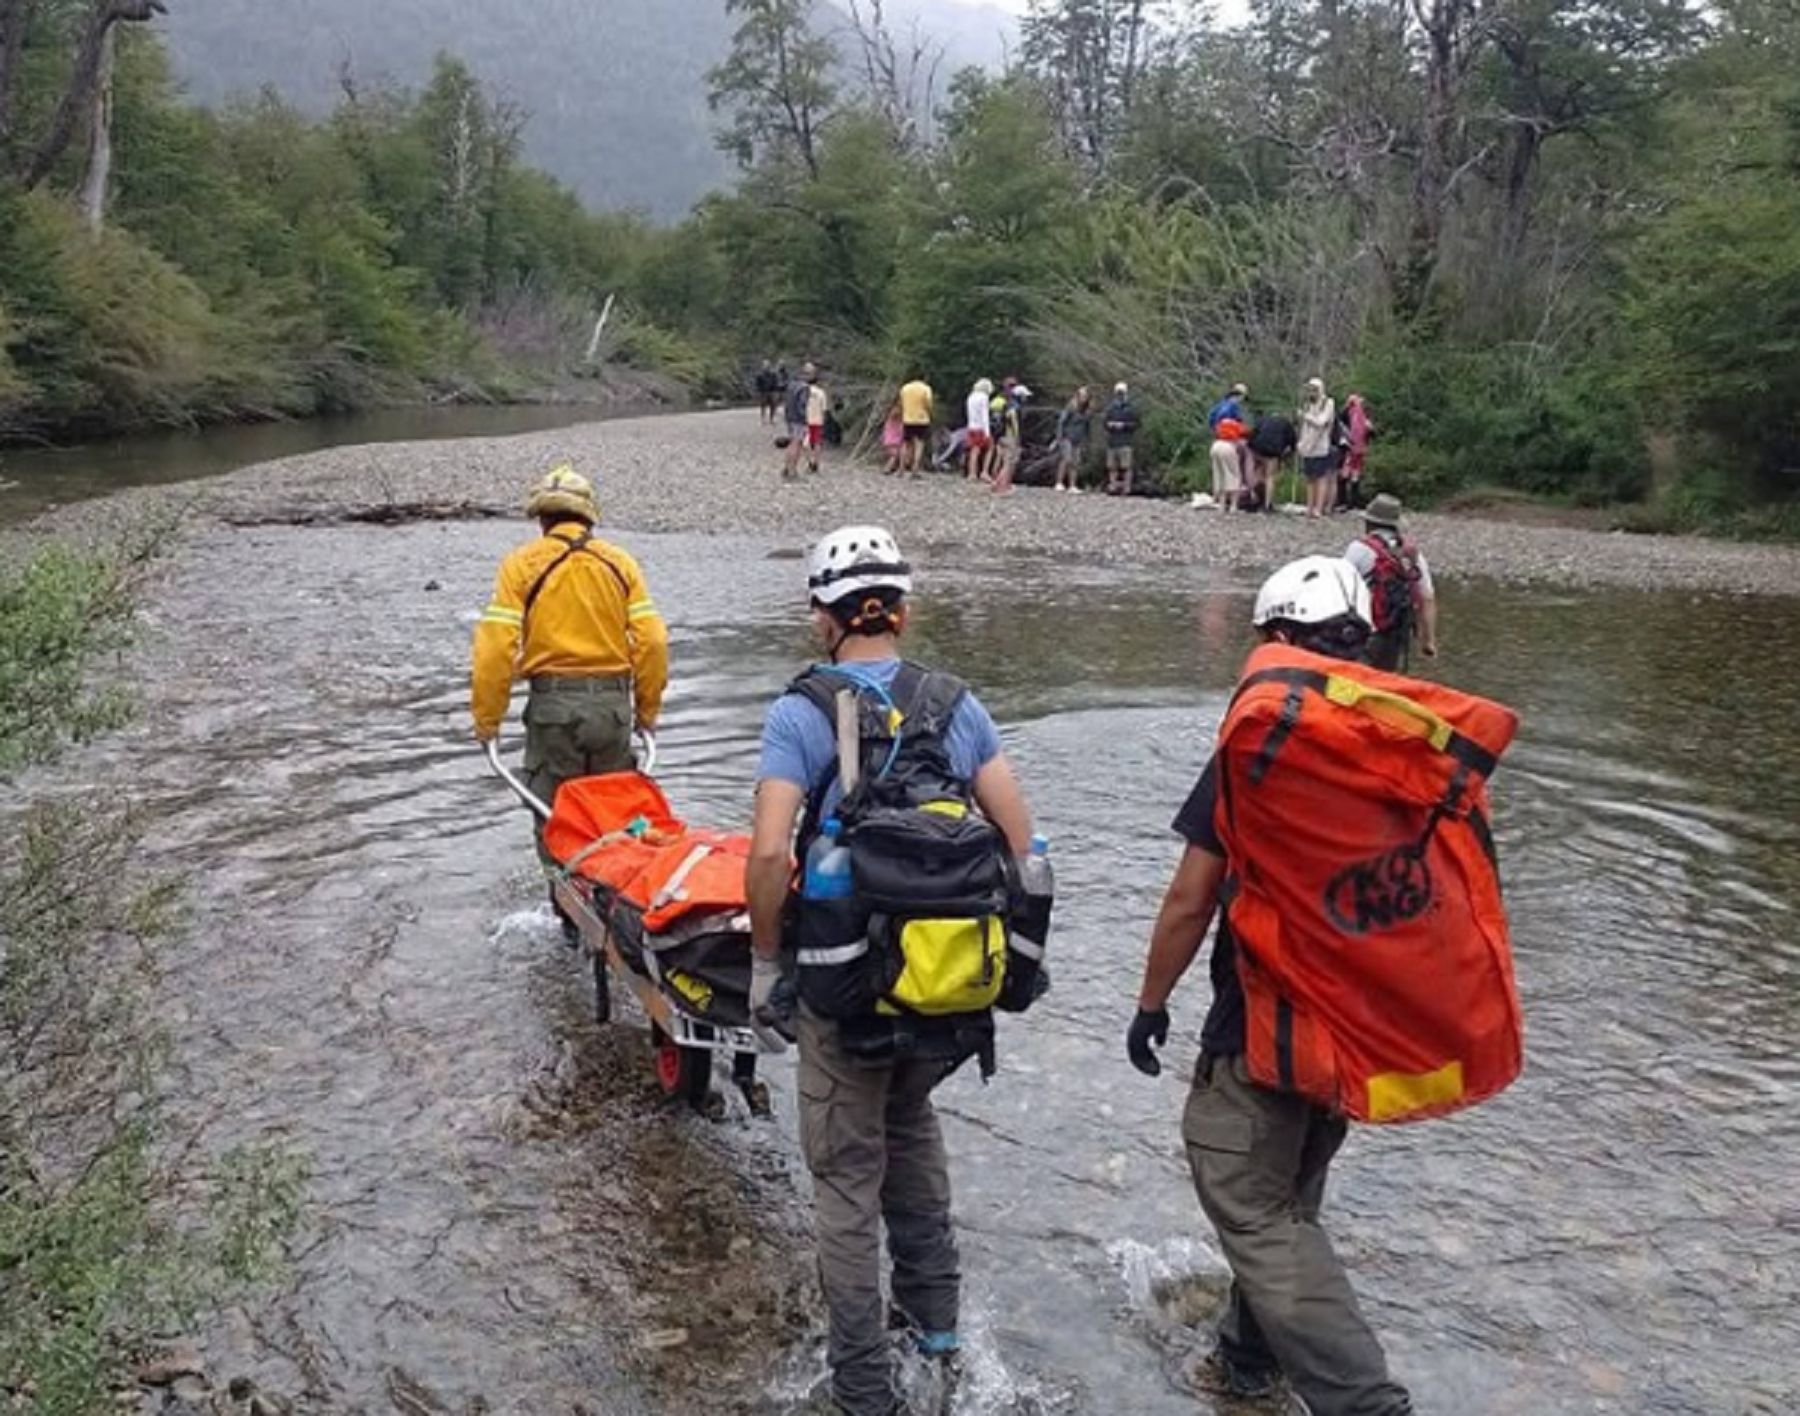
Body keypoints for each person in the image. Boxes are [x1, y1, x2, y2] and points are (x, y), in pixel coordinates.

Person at [745, 526, 1036, 1416]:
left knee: (844, 1175)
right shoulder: (959, 706)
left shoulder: (800, 714)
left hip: (842, 985)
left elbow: (765, 859)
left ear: (820, 620)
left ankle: (865, 1384)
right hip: (946, 987)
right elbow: (1029, 849)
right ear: (902, 612)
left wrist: (765, 967)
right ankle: (939, 1334)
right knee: (910, 1131)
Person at [1125, 555, 1416, 1416]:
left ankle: (1363, 1399)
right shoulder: (1396, 750)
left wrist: (1150, 1004)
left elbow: (1191, 897)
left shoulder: (1264, 747)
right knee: (1291, 1194)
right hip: (1358, 1019)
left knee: (1248, 1203)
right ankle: (1250, 1365)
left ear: (1282, 640)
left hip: (1263, 1021)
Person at [471, 464, 670, 934]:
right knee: (615, 815)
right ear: (590, 518)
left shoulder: (521, 564)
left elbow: (495, 647)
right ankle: (618, 909)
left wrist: (487, 719)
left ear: (541, 518)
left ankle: (568, 919)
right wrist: (647, 712)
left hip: (552, 711)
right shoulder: (620, 563)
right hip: (613, 710)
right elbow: (653, 641)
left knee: (553, 819)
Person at [1345, 493, 1438, 672]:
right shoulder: (1411, 553)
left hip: (1361, 631)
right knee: (1385, 679)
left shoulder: (1358, 549)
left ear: (1369, 523)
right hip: (1395, 631)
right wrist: (1429, 641)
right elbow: (1427, 598)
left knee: (1355, 680)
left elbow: (1340, 588)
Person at [1297, 376, 1337, 520]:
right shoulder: (1308, 404)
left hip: (1320, 445)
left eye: (1314, 390)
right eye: (1309, 390)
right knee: (1309, 478)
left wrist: (1305, 416)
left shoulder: (1328, 403)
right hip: (1307, 446)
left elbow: (1322, 422)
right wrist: (1300, 443)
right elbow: (1304, 427)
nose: (1311, 392)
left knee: (1321, 478)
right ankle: (1309, 507)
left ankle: (1318, 509)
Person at [1245, 410, 1297, 513]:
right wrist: (1288, 455)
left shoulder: (1263, 419)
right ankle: (1267, 505)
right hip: (1272, 451)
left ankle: (1253, 498)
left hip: (1257, 447)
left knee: (1258, 473)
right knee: (1270, 477)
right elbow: (1292, 443)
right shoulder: (1287, 424)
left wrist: (1252, 448)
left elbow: (1251, 434)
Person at [1336, 394, 1375, 511]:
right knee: (1348, 474)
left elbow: (1370, 433)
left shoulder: (1361, 415)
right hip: (1351, 447)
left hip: (1355, 448)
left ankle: (1349, 501)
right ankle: (1346, 501)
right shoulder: (1348, 414)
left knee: (1352, 474)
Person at [991, 383, 1029, 495]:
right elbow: (1014, 424)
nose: (1026, 398)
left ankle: (998, 484)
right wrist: (1018, 439)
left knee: (1006, 462)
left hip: (1002, 437)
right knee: (1009, 463)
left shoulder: (1007, 404)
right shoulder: (1015, 408)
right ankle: (1003, 487)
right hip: (1010, 437)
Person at [1103, 382, 1139, 495]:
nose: (1120, 395)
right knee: (1112, 467)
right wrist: (1109, 425)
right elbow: (1104, 422)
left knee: (1127, 466)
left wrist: (1123, 425)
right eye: (1118, 393)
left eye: (1122, 393)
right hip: (1112, 441)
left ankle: (1127, 488)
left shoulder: (1131, 408)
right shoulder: (1110, 408)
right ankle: (1113, 486)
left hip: (1126, 441)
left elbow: (1137, 424)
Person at [1209, 413, 1249, 512]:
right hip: (1228, 447)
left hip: (1216, 446)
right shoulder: (1237, 425)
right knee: (1234, 476)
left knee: (1220, 476)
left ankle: (1221, 505)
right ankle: (1233, 506)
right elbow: (1245, 434)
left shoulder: (1221, 423)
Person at [1054, 386, 1091, 492]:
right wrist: (1059, 438)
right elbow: (1061, 423)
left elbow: (1087, 427)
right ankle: (1059, 482)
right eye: (1082, 395)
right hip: (1067, 437)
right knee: (1066, 459)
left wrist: (1087, 440)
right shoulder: (1070, 407)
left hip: (1079, 439)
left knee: (1076, 462)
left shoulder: (1087, 411)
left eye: (1086, 396)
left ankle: (1072, 485)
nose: (1084, 398)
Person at [783, 364, 815, 480]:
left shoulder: (791, 385)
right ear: (808, 374)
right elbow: (802, 406)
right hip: (798, 420)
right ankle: (792, 472)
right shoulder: (804, 387)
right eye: (812, 373)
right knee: (796, 445)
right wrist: (806, 420)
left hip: (790, 418)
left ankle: (787, 468)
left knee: (792, 444)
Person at [899, 373, 934, 475]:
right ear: (924, 378)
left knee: (905, 444)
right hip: (922, 419)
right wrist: (930, 413)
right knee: (919, 444)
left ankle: (901, 468)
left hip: (907, 419)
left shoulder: (905, 388)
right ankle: (915, 468)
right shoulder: (926, 389)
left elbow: (901, 404)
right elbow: (928, 404)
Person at [963, 378, 993, 481]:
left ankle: (972, 473)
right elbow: (985, 415)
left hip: (971, 426)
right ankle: (984, 472)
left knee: (974, 450)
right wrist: (987, 432)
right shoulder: (984, 397)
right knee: (990, 448)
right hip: (980, 427)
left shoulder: (971, 396)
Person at [803, 364, 831, 473]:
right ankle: (814, 463)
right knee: (815, 443)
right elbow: (824, 409)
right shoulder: (821, 392)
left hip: (810, 421)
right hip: (815, 421)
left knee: (808, 444)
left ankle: (812, 463)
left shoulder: (805, 391)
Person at [879, 398, 905, 475]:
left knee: (896, 454)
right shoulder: (895, 411)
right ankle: (887, 469)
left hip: (895, 436)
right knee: (894, 455)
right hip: (892, 437)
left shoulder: (896, 412)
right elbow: (895, 414)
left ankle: (892, 468)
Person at [756, 359, 782, 424]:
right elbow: (757, 384)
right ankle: (763, 419)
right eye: (765, 365)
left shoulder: (773, 374)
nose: (766, 366)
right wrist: (759, 391)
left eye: (767, 365)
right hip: (763, 392)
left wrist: (776, 390)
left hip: (772, 391)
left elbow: (776, 382)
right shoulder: (759, 374)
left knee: (773, 405)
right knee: (763, 406)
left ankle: (772, 418)